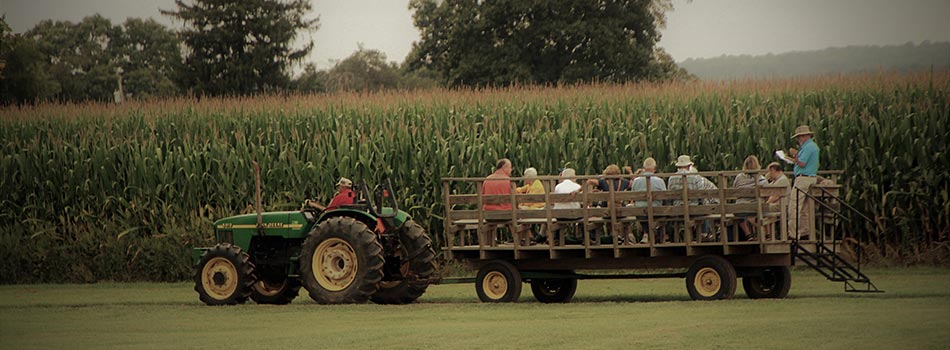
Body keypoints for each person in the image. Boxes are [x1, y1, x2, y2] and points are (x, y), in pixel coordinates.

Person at [787, 125, 820, 240]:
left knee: (794, 206)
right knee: (805, 207)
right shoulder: (812, 146)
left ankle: (793, 234)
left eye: (799, 137)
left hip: (803, 178)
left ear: (805, 136)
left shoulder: (808, 147)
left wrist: (794, 155)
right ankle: (805, 231)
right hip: (811, 177)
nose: (798, 139)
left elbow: (801, 163)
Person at [630, 157, 667, 243]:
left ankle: (646, 233)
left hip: (640, 211)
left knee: (642, 210)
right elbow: (665, 197)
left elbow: (633, 197)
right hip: (656, 211)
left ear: (644, 168)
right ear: (654, 169)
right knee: (665, 211)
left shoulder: (636, 181)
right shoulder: (660, 181)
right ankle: (655, 233)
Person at [733, 155, 766, 241]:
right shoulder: (761, 178)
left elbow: (734, 189)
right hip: (755, 209)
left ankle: (748, 234)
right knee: (763, 211)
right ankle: (765, 235)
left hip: (739, 209)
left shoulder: (739, 177)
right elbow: (765, 193)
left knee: (740, 212)